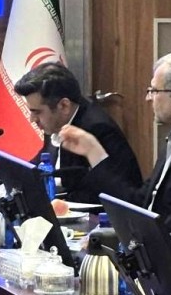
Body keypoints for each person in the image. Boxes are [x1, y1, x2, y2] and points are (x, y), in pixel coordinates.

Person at [58, 50, 171, 233]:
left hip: (169, 244)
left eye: (154, 91)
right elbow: (139, 200)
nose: (148, 98)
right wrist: (94, 152)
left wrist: (140, 239)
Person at [12, 62, 140, 203]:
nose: (32, 119)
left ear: (64, 106)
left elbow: (116, 193)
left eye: (37, 112)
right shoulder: (55, 121)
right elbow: (40, 165)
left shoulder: (98, 128)